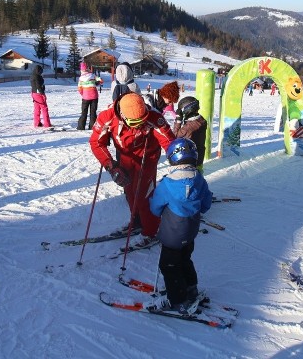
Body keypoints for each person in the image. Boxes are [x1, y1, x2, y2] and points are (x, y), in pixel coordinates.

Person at [89, 92, 175, 245]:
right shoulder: (107, 117)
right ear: (123, 115)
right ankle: (137, 221)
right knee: (129, 191)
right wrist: (110, 165)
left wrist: (179, 160)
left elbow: (169, 141)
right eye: (136, 123)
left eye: (143, 121)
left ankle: (151, 230)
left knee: (144, 194)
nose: (140, 125)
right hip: (125, 158)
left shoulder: (153, 116)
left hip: (147, 159)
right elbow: (96, 142)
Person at [149, 138, 213, 314]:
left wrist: (156, 205)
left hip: (172, 235)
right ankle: (190, 288)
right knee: (185, 259)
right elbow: (206, 205)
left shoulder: (167, 184)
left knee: (169, 265)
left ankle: (177, 299)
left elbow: (155, 209)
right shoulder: (199, 180)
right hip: (190, 232)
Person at [172, 96, 208, 167]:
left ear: (188, 110)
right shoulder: (200, 119)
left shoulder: (190, 126)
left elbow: (175, 136)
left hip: (190, 159)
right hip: (199, 156)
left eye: (182, 111)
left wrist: (178, 120)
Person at [77, 62, 99, 131]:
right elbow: (101, 80)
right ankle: (92, 127)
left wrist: (83, 94)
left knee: (84, 112)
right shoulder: (92, 75)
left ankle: (81, 127)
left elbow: (79, 89)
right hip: (94, 96)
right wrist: (96, 83)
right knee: (93, 112)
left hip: (85, 97)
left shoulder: (81, 78)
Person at [30, 64, 52, 129]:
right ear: (38, 71)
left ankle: (36, 123)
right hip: (38, 94)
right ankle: (47, 124)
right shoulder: (37, 77)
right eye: (41, 71)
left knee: (37, 109)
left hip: (34, 93)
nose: (41, 73)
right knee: (44, 108)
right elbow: (38, 86)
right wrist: (43, 94)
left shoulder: (33, 76)